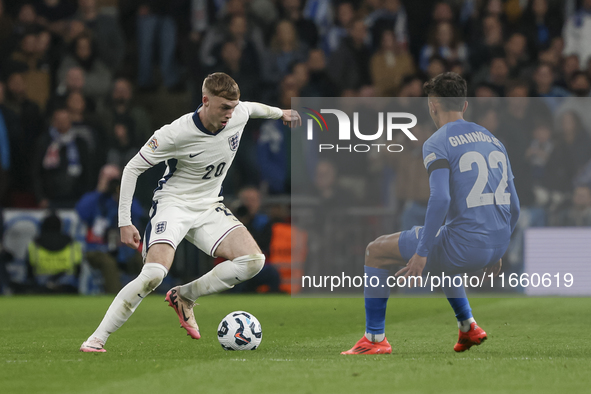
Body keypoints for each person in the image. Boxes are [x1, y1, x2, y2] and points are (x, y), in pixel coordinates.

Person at [80, 72, 301, 352]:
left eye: (233, 107)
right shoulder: (175, 133)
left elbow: (254, 108)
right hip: (173, 206)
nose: (230, 114)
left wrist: (280, 112)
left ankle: (184, 296)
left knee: (253, 261)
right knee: (153, 275)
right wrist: (124, 222)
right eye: (224, 108)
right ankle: (97, 338)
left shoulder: (238, 112)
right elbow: (132, 168)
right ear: (205, 101)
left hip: (209, 206)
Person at [342, 72, 520, 355]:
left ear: (432, 105)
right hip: (497, 246)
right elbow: (515, 205)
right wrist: (499, 249)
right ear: (464, 105)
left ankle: (374, 340)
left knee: (375, 250)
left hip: (466, 247)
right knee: (447, 242)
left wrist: (421, 253)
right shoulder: (492, 138)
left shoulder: (437, 141)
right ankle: (468, 327)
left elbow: (440, 198)